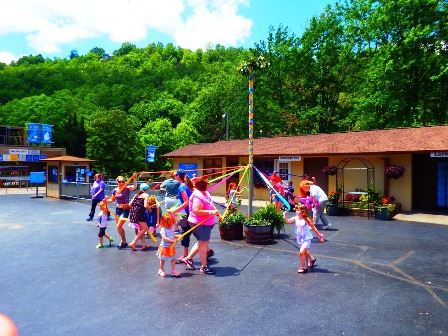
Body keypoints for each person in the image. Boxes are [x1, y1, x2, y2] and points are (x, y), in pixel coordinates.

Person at [180, 176, 220, 275]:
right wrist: (211, 212)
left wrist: (218, 214)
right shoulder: (198, 196)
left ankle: (188, 259)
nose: (209, 184)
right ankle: (204, 267)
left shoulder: (205, 193)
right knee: (203, 245)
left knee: (201, 242)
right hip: (200, 223)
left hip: (203, 223)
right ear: (203, 185)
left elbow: (210, 203)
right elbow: (196, 210)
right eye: (207, 183)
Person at [284, 203, 324, 273]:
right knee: (304, 251)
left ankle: (303, 267)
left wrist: (320, 237)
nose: (296, 211)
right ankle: (312, 259)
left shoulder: (306, 219)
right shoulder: (295, 218)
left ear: (303, 211)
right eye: (296, 210)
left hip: (306, 238)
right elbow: (287, 221)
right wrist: (285, 216)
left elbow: (314, 228)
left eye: (298, 210)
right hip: (300, 238)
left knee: (301, 252)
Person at [167, 169, 195, 266]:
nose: (174, 176)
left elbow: (186, 202)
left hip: (186, 214)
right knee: (188, 233)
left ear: (178, 176)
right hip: (189, 213)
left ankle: (186, 255)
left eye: (175, 175)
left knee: (186, 233)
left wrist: (173, 211)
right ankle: (185, 255)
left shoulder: (182, 186)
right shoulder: (186, 185)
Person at [112, 174, 137, 249]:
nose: (122, 183)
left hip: (125, 209)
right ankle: (123, 241)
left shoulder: (126, 188)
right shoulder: (115, 190)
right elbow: (112, 200)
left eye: (123, 181)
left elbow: (134, 187)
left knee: (119, 225)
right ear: (117, 182)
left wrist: (134, 179)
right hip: (118, 209)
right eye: (120, 181)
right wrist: (105, 202)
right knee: (118, 227)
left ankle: (123, 241)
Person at [128, 183, 151, 251]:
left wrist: (135, 208)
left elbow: (129, 204)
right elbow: (146, 205)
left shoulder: (137, 195)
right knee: (145, 228)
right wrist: (150, 209)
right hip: (139, 212)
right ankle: (133, 242)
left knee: (141, 228)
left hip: (133, 212)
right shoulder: (146, 195)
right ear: (147, 189)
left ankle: (144, 245)